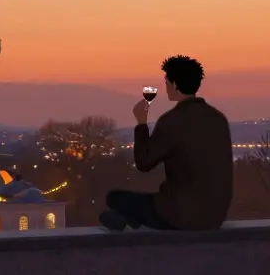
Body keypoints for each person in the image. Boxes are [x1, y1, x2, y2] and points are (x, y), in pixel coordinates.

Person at [98, 55, 234, 232]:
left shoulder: (172, 121)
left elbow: (144, 162)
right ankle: (126, 218)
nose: (166, 87)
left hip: (180, 216)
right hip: (215, 216)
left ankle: (125, 218)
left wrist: (141, 123)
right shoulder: (218, 119)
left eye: (167, 83)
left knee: (115, 198)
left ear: (175, 85)